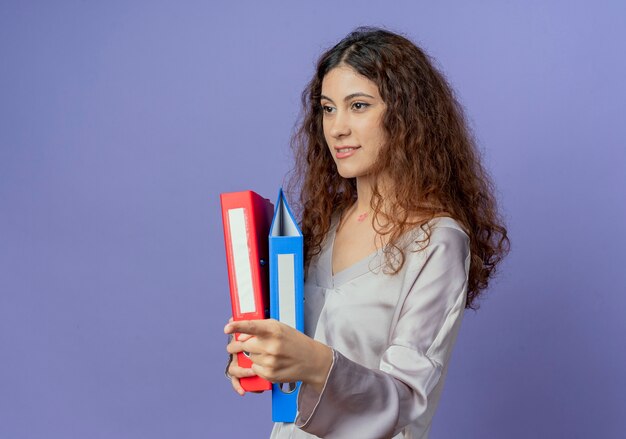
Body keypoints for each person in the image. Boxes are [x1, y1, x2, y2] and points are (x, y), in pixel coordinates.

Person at [224, 27, 509, 439]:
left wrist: (315, 362)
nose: (337, 128)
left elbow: (406, 402)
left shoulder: (439, 242)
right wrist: (258, 352)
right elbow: (293, 353)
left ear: (407, 116)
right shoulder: (325, 224)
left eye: (358, 105)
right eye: (327, 109)